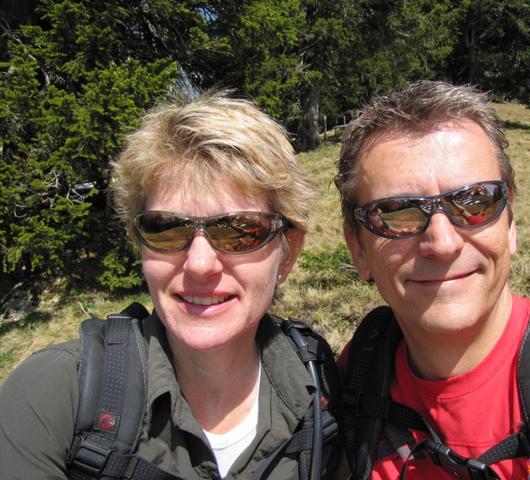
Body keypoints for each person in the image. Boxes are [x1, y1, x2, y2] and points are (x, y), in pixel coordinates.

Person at [0, 92, 341, 479]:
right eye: (166, 228)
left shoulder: (323, 389)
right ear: (139, 243)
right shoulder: (55, 395)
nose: (199, 264)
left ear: (288, 252)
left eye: (239, 231)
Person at [334, 81, 530, 479]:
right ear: (358, 248)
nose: (442, 244)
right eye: (397, 213)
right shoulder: (356, 378)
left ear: (510, 224)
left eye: (476, 201)